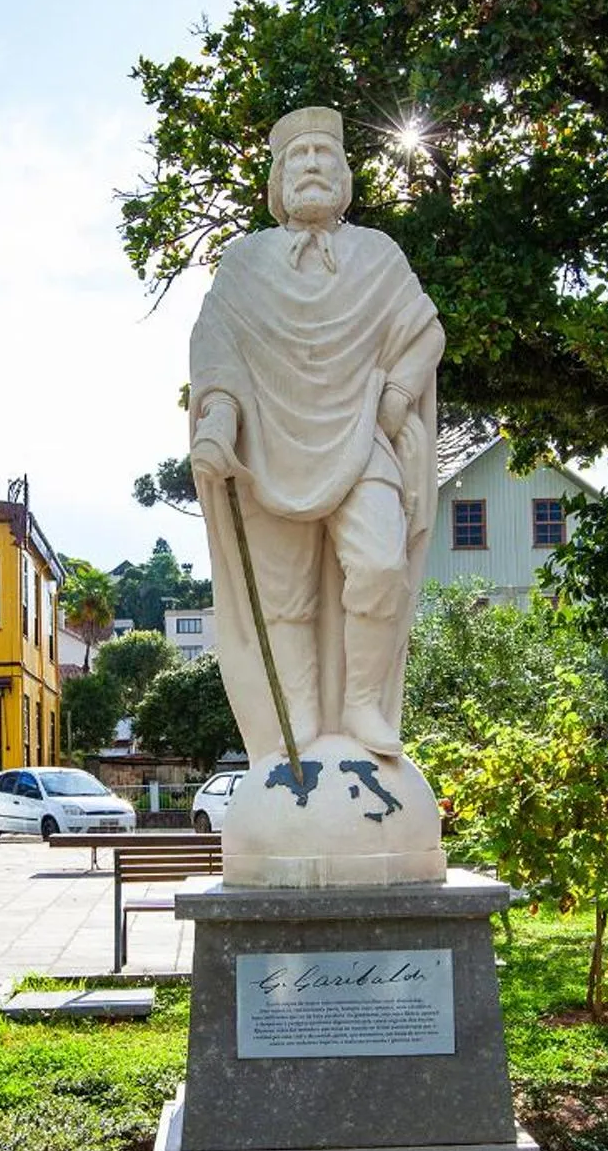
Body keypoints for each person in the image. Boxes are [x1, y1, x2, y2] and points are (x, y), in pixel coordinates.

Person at [187, 106, 443, 760]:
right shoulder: (244, 264)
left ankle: (362, 703)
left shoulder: (377, 256)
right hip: (270, 446)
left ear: (344, 175)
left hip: (364, 438)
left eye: (323, 156)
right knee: (285, 595)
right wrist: (218, 415)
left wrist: (395, 394)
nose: (310, 166)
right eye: (297, 157)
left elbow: (423, 331)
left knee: (381, 563)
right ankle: (296, 713)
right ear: (277, 179)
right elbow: (216, 346)